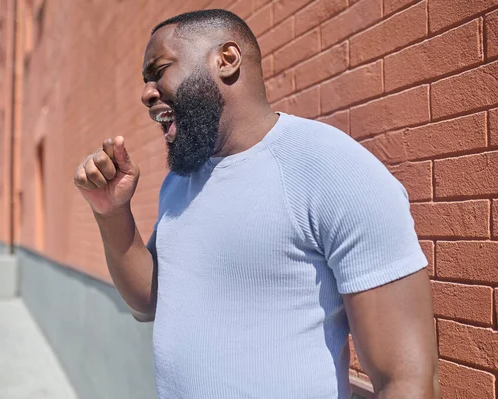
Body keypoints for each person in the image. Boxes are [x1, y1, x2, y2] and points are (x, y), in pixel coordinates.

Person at [74, 9, 439, 399]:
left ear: (226, 60)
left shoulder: (334, 169)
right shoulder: (180, 182)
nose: (146, 93)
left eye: (159, 70)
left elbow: (406, 380)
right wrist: (112, 213)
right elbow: (150, 303)